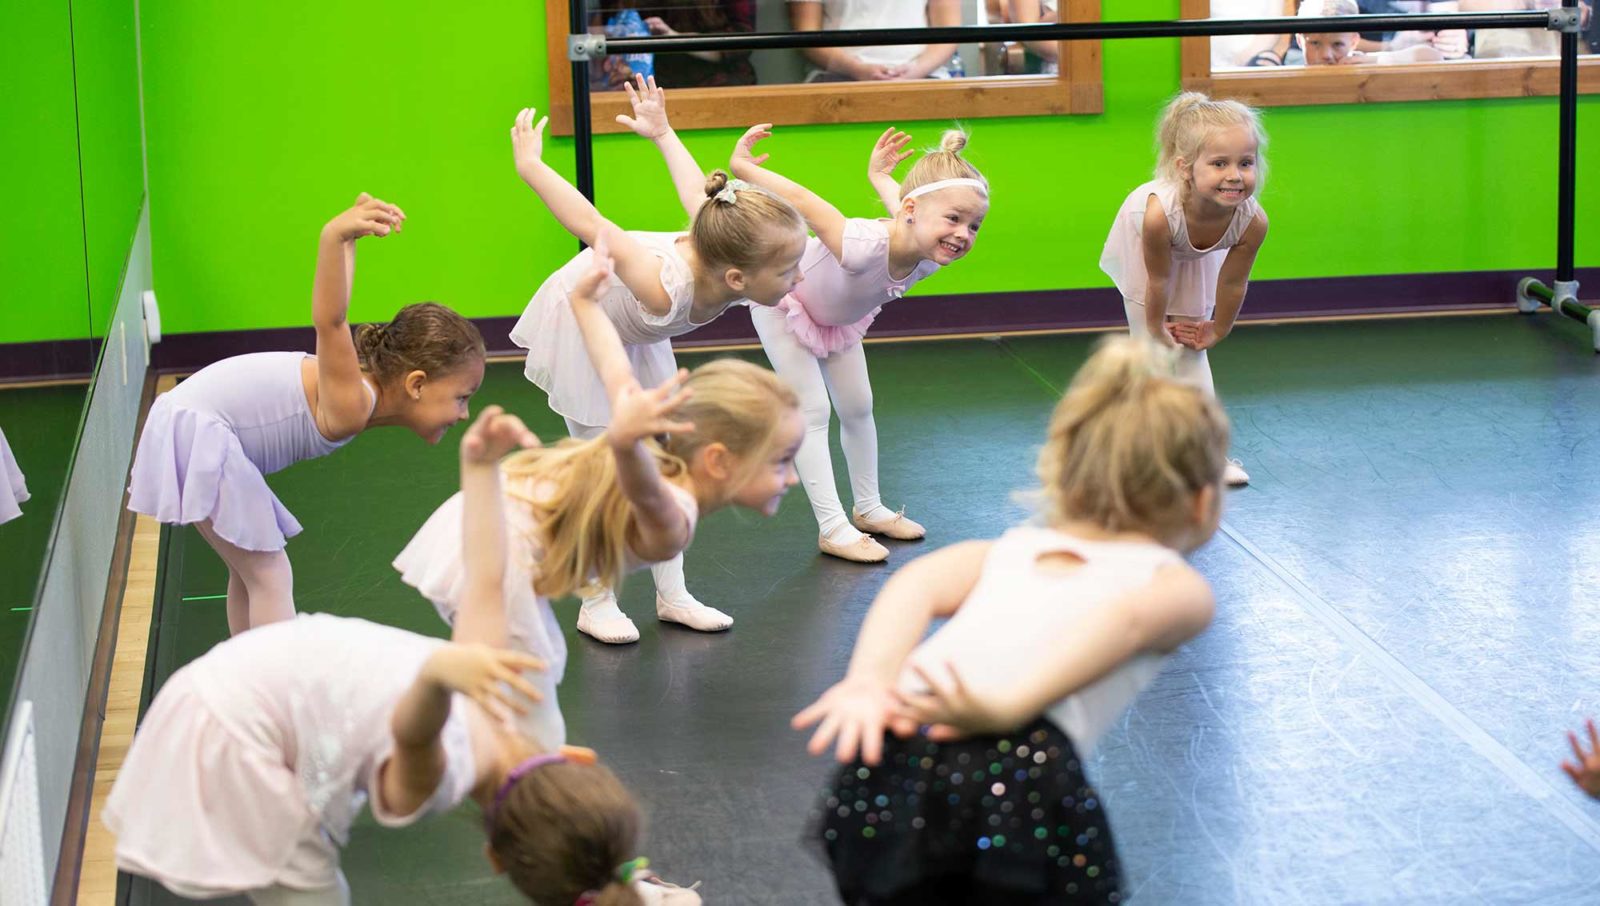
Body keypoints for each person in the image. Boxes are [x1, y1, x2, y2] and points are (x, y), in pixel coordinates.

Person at [107, 406, 700, 905]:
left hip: (254, 693)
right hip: (230, 718)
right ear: (495, 856)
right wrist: (479, 472)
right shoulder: (464, 748)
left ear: (579, 765)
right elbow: (485, 588)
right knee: (311, 889)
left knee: (309, 877)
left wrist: (480, 465)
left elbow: (419, 724)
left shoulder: (504, 693)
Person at [795, 336, 1226, 905]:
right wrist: (1007, 706)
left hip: (901, 737)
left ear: (1065, 473)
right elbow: (1121, 623)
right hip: (1017, 765)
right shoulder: (1174, 585)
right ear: (1201, 502)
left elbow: (915, 582)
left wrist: (871, 680)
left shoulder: (1013, 548)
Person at [507, 103, 808, 643]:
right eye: (788, 271)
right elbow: (594, 226)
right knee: (608, 468)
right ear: (737, 278)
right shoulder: (662, 283)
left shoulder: (724, 238)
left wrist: (665, 133)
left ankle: (673, 594)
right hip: (587, 314)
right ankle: (595, 600)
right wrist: (531, 167)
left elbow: (703, 198)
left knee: (665, 460)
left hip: (637, 336)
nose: (798, 278)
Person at [125, 194, 485, 634]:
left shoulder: (353, 388)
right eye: (461, 398)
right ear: (416, 384)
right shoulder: (351, 403)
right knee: (269, 574)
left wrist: (350, 243)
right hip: (199, 430)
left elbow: (337, 318)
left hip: (186, 422)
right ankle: (277, 691)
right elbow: (331, 321)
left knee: (253, 572)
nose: (464, 414)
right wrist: (334, 236)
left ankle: (249, 679)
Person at [1099, 92, 1269, 486]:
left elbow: (1233, 280)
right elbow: (1158, 278)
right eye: (1219, 163)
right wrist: (1157, 327)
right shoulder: (1158, 214)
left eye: (1246, 163)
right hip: (1149, 250)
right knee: (1155, 353)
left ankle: (1206, 453)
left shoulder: (1252, 219)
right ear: (1185, 168)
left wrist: (1217, 328)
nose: (1235, 175)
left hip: (1195, 252)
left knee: (1192, 352)